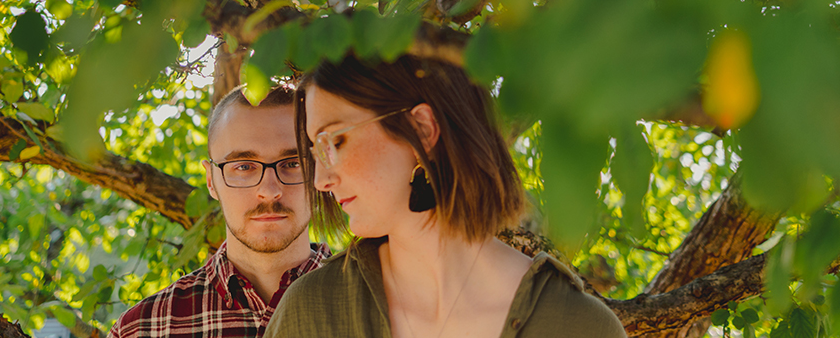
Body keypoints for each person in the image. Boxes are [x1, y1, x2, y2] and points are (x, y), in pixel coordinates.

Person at [264, 54, 628, 338]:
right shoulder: (310, 315)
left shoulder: (580, 327)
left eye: (334, 141)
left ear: (422, 130)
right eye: (315, 152)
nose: (321, 180)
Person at [109, 85, 329, 338]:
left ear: (321, 170)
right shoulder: (141, 330)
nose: (269, 191)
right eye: (244, 166)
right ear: (211, 180)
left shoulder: (367, 304)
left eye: (292, 163)